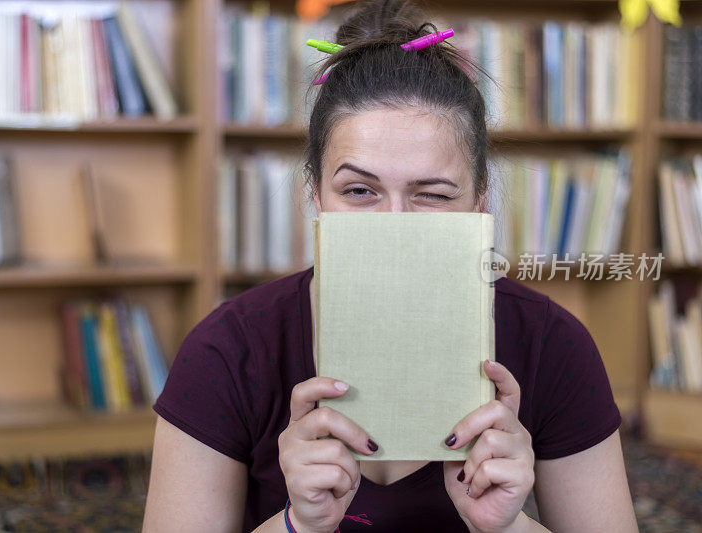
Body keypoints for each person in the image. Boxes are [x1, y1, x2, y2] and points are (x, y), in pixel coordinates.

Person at [143, 0, 638, 530]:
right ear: (315, 193)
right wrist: (300, 524)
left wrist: (506, 524)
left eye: (431, 194)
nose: (394, 223)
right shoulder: (228, 348)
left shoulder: (550, 342)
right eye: (359, 190)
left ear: (480, 201)